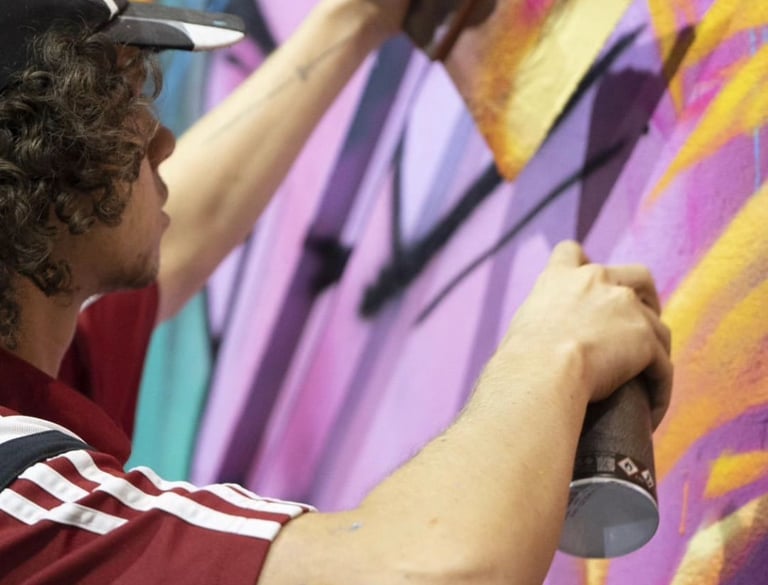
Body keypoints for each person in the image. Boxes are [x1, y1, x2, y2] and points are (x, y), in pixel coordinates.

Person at [0, 0, 673, 584]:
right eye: (118, 103)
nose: (164, 139)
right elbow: (421, 570)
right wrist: (556, 351)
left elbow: (180, 231)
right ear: (37, 172)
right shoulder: (23, 510)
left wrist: (359, 19)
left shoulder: (36, 368)